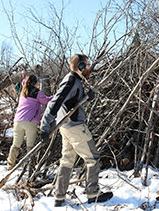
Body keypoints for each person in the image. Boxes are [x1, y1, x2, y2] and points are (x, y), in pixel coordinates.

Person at [39, 54, 113, 207]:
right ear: (79, 66)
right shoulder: (71, 81)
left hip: (66, 127)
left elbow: (71, 103)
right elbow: (55, 103)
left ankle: (59, 196)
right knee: (93, 158)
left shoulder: (73, 80)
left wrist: (86, 97)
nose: (88, 67)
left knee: (67, 161)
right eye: (86, 64)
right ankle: (93, 193)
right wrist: (44, 127)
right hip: (75, 128)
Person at [6, 74, 53, 170]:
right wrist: (56, 96)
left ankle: (10, 165)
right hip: (30, 122)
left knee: (16, 145)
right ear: (35, 83)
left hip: (18, 121)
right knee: (30, 146)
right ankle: (29, 167)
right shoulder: (36, 92)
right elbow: (46, 101)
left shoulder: (23, 91)